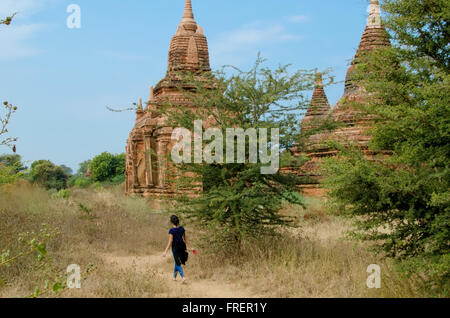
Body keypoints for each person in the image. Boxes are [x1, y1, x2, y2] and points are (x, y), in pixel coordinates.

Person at [163, 215, 194, 283]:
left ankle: (183, 277)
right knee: (177, 262)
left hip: (175, 248)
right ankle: (174, 277)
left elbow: (170, 241)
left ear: (171, 222)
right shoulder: (182, 228)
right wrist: (190, 247)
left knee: (178, 262)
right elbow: (185, 239)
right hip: (182, 246)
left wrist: (165, 251)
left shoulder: (171, 230)